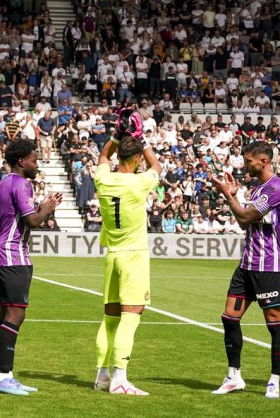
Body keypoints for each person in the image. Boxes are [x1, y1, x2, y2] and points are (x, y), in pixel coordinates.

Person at [208, 141, 280, 399]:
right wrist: (236, 195)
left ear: (263, 161)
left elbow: (243, 217)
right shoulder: (257, 189)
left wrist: (228, 195)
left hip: (269, 268)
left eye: (249, 160)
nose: (246, 164)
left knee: (274, 325)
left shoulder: (275, 188)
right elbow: (247, 224)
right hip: (246, 265)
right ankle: (234, 376)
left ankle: (274, 381)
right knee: (229, 318)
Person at [92, 108, 161, 396]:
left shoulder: (103, 179)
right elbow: (156, 166)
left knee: (109, 318)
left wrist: (116, 136)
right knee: (131, 316)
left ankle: (102, 375)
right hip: (133, 255)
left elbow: (102, 158)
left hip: (112, 255)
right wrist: (141, 139)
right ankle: (120, 379)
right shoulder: (139, 183)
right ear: (135, 160)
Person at [0, 139, 61, 395]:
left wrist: (43, 206)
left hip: (2, 252)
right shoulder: (22, 184)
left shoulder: (5, 182)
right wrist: (48, 210)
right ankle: (2, 376)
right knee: (16, 314)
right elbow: (32, 221)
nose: (36, 164)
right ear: (22, 161)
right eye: (34, 159)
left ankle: (4, 375)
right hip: (12, 255)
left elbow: (23, 216)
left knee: (7, 314)